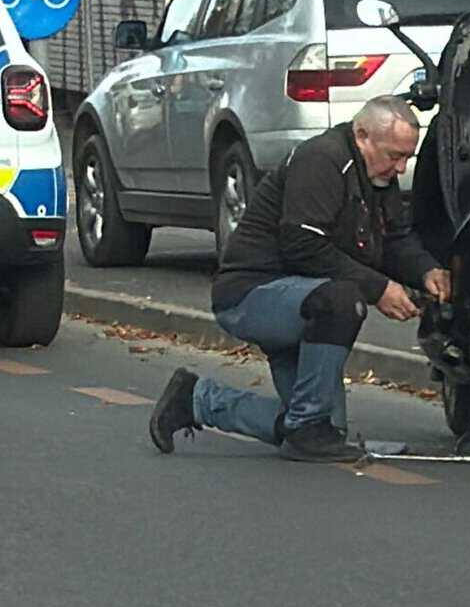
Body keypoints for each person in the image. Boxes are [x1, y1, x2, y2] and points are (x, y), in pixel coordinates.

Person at [146, 97, 449, 463]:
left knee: (323, 430)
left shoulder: (376, 177)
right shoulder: (321, 160)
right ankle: (307, 425)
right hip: (252, 293)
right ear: (363, 135)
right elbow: (303, 245)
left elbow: (396, 239)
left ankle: (197, 401)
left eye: (407, 158)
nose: (399, 168)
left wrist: (426, 270)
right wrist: (379, 288)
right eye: (393, 155)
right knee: (343, 301)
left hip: (302, 297)